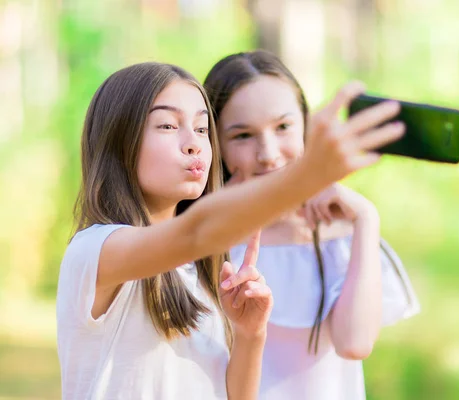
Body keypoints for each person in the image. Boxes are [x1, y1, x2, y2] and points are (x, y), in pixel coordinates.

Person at [56, 61, 403, 400]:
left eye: (202, 128)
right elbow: (195, 232)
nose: (192, 142)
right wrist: (306, 175)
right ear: (120, 140)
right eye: (167, 125)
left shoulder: (201, 274)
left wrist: (251, 333)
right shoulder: (96, 251)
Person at [204, 50, 421, 400]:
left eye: (283, 127)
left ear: (308, 126)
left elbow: (354, 343)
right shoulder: (202, 241)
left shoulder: (341, 235)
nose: (269, 153)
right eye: (243, 136)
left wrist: (366, 218)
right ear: (217, 145)